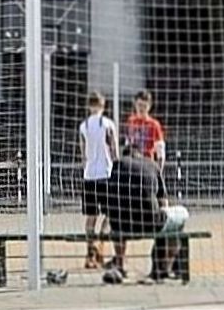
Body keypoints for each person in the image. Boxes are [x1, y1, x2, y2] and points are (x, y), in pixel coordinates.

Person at [123, 91, 177, 281]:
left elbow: (160, 148)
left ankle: (162, 263)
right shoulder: (131, 122)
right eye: (138, 105)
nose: (141, 108)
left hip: (149, 170)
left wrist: (158, 169)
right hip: (134, 171)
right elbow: (128, 145)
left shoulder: (153, 125)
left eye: (144, 106)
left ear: (149, 106)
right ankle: (119, 260)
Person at [76, 93, 120, 280]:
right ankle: (100, 247)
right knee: (109, 214)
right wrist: (117, 165)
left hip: (89, 175)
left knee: (90, 217)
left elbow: (82, 152)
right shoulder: (107, 124)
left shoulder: (83, 126)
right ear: (103, 105)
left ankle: (89, 253)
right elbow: (114, 148)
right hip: (106, 173)